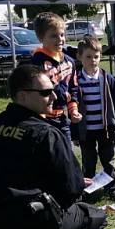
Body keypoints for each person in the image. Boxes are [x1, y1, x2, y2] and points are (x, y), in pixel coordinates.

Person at [0, 65, 107, 229]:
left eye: (53, 89)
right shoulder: (45, 133)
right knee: (94, 215)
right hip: (28, 221)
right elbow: (71, 190)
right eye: (45, 92)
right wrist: (75, 183)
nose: (54, 96)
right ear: (22, 96)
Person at [73, 37, 115, 200]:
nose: (93, 60)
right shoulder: (76, 81)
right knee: (88, 161)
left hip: (106, 128)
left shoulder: (107, 78)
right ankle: (88, 189)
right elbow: (72, 109)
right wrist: (75, 134)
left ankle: (113, 187)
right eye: (88, 57)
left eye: (96, 57)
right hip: (86, 131)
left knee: (108, 159)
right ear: (79, 57)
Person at [30, 12, 82, 142]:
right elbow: (41, 89)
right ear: (41, 38)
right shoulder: (38, 61)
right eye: (54, 36)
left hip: (61, 117)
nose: (60, 39)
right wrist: (60, 93)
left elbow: (73, 88)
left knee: (66, 155)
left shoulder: (69, 62)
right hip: (41, 119)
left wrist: (73, 109)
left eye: (62, 34)